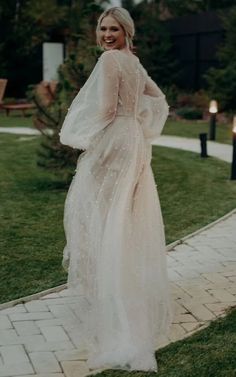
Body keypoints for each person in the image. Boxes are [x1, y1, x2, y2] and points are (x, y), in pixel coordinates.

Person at [59, 6, 172, 372]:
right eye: (103, 29)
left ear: (126, 31)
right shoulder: (133, 62)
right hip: (134, 143)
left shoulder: (111, 61)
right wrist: (139, 123)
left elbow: (106, 109)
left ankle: (113, 304)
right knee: (124, 220)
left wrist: (84, 138)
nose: (107, 35)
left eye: (114, 29)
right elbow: (158, 99)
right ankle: (124, 295)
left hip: (114, 142)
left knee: (101, 217)